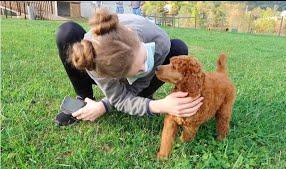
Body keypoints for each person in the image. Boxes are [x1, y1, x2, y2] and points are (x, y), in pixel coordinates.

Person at [54, 9, 203, 125]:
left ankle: (142, 97)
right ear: (114, 77)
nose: (147, 68)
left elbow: (135, 86)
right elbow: (119, 98)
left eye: (144, 58)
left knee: (178, 47)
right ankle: (83, 99)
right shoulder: (93, 60)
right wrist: (159, 106)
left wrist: (104, 106)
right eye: (139, 70)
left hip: (137, 72)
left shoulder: (159, 41)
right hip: (103, 67)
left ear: (133, 35)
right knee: (67, 32)